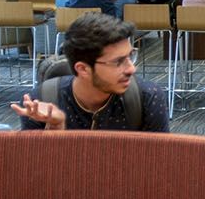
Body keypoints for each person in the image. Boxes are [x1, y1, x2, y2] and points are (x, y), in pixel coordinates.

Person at [12, 13, 170, 132]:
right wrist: (56, 128)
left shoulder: (147, 98)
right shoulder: (40, 102)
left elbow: (156, 167)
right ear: (83, 69)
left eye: (130, 56)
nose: (131, 69)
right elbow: (38, 171)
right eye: (118, 62)